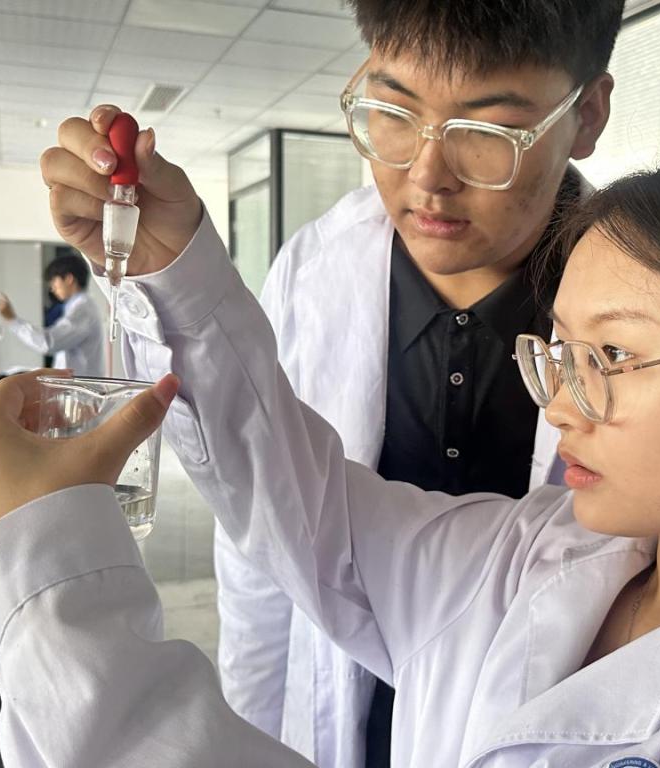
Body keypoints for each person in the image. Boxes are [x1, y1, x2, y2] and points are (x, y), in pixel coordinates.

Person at [0, 144, 660, 766]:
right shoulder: (535, 552)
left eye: (615, 357)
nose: (561, 405)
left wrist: (42, 589)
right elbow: (309, 509)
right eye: (560, 354)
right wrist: (175, 267)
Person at [214, 3, 620, 764]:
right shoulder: (313, 271)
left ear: (587, 115)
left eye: (487, 132)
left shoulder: (648, 312)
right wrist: (254, 737)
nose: (428, 177)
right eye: (395, 113)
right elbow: (262, 554)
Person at [0, 252, 106, 376]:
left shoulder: (83, 310)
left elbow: (48, 343)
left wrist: (13, 321)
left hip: (81, 385)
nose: (52, 288)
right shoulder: (76, 307)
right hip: (74, 383)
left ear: (69, 279)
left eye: (54, 281)